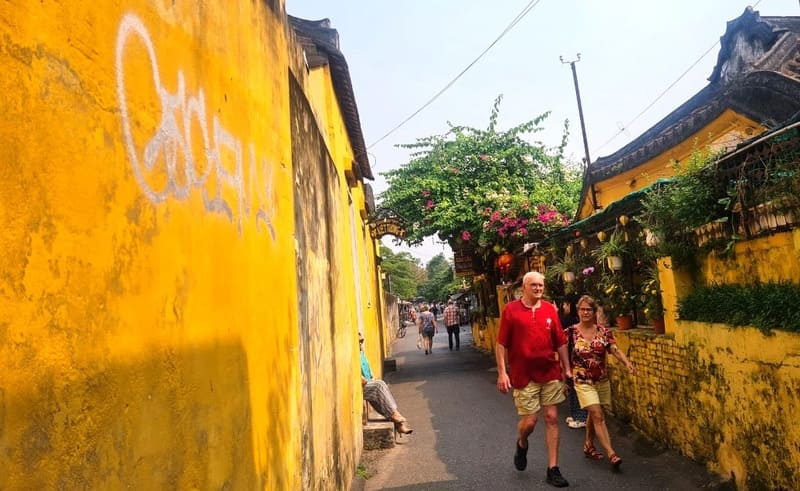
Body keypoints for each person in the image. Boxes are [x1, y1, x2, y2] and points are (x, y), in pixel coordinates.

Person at [496, 271, 572, 488]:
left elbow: (560, 342)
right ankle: (522, 442)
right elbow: (501, 344)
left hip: (549, 372)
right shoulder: (511, 310)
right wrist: (503, 372)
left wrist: (567, 369)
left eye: (541, 285)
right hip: (523, 374)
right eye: (534, 285)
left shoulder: (550, 309)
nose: (538, 289)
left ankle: (553, 469)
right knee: (530, 422)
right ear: (524, 287)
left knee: (551, 417)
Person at [567, 295, 636, 472]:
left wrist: (627, 363)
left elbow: (614, 349)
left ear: (594, 311)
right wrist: (563, 375)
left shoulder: (603, 332)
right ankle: (611, 453)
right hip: (582, 381)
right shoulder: (570, 333)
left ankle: (588, 445)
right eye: (582, 309)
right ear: (578, 311)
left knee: (594, 412)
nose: (585, 312)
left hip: (602, 380)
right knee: (597, 415)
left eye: (589, 309)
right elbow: (559, 354)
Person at [359, 334, 413, 437]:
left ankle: (398, 422)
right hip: (362, 385)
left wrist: (372, 378)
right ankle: (395, 416)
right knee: (379, 385)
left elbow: (369, 371)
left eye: (362, 341)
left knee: (380, 387)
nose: (361, 344)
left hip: (368, 383)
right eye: (359, 342)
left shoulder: (361, 355)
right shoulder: (352, 357)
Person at [559, 299, 587, 429]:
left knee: (576, 389)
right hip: (571, 360)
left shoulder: (567, 321)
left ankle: (580, 417)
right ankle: (576, 416)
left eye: (565, 303)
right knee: (572, 388)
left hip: (576, 362)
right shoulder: (572, 325)